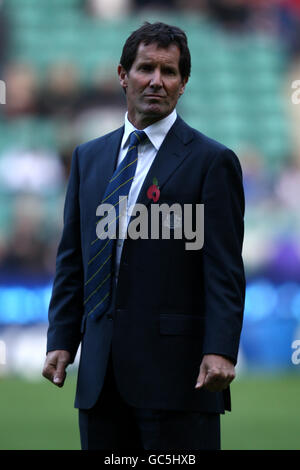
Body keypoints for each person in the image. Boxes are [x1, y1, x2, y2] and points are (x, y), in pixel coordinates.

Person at [42, 21, 245, 450]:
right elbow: (73, 258)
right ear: (122, 74)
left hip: (179, 375)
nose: (156, 81)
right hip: (101, 376)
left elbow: (224, 268)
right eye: (145, 68)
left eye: (169, 72)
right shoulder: (88, 157)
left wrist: (222, 349)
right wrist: (62, 337)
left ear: (183, 83)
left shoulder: (213, 161)